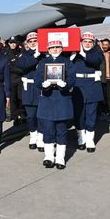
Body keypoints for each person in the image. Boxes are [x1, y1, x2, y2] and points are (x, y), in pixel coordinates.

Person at [34, 40, 76, 169]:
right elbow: (37, 79)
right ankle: (48, 157)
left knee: (61, 130)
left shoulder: (67, 62)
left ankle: (60, 158)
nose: (55, 49)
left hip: (62, 99)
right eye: (52, 47)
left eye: (58, 47)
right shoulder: (42, 63)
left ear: (62, 49)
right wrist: (43, 85)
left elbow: (72, 78)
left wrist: (66, 84)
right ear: (48, 49)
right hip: (47, 99)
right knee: (48, 129)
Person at [71, 32, 104, 152]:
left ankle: (90, 139)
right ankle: (81, 137)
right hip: (78, 85)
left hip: (92, 86)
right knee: (79, 113)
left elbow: (96, 61)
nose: (87, 44)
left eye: (90, 42)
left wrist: (82, 53)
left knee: (91, 113)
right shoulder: (75, 54)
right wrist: (73, 55)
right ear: (81, 42)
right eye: (85, 41)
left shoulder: (96, 52)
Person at [16, 32, 45, 150]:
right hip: (29, 89)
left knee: (41, 115)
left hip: (41, 88)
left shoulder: (44, 55)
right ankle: (33, 134)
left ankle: (41, 137)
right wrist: (35, 56)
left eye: (35, 41)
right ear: (27, 43)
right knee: (31, 116)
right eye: (31, 41)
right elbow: (23, 65)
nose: (33, 43)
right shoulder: (24, 55)